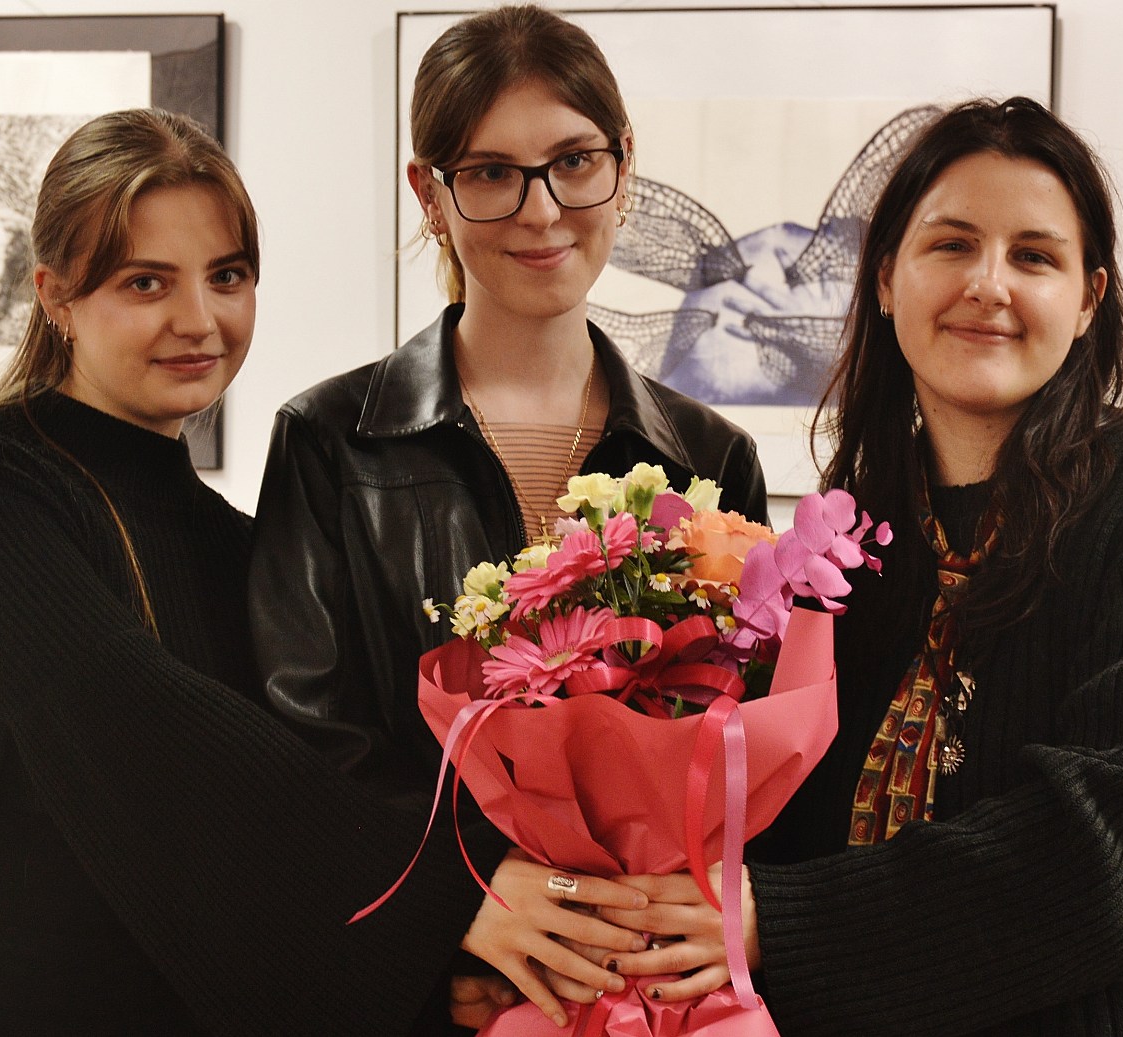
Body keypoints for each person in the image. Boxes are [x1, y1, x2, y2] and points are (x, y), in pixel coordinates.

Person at [0, 107, 645, 1037]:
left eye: (228, 276)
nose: (198, 321)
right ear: (55, 295)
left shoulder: (239, 546)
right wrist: (452, 896)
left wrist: (449, 959)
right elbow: (122, 717)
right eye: (145, 282)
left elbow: (286, 817)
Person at [585, 97, 1123, 1035]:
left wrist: (781, 917)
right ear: (885, 277)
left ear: (1089, 299)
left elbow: (1114, 843)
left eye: (1035, 256)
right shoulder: (850, 542)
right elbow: (779, 816)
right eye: (952, 244)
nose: (989, 284)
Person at [248, 8, 767, 1018]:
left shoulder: (710, 460)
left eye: (573, 162)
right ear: (429, 194)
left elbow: (736, 756)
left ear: (623, 167)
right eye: (490, 173)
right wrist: (461, 905)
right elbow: (305, 751)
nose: (542, 210)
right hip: (423, 991)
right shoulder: (330, 442)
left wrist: (627, 935)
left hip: (645, 989)